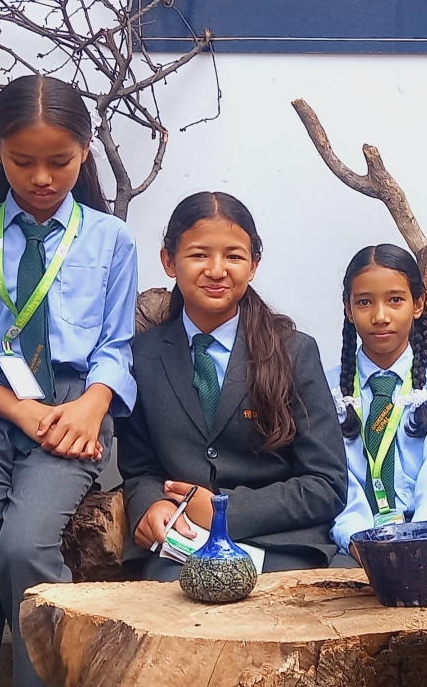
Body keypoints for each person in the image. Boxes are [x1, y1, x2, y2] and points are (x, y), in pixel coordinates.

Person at [0, 75, 137, 687]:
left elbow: (116, 346)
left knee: (25, 552)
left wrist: (92, 406)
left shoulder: (111, 239)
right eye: (22, 162)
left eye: (59, 162)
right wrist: (18, 411)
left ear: (86, 151)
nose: (42, 178)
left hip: (73, 412)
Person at [119, 192, 348, 575]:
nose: (216, 270)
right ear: (169, 261)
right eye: (198, 255)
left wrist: (224, 511)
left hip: (280, 545)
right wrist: (150, 504)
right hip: (181, 546)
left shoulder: (293, 352)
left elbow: (327, 483)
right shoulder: (142, 357)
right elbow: (140, 469)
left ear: (253, 265)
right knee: (173, 600)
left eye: (234, 256)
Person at [328, 245, 427, 557]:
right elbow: (336, 481)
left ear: (417, 304)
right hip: (353, 543)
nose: (380, 316)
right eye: (364, 302)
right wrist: (359, 541)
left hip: (423, 538)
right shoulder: (325, 389)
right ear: (348, 310)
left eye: (395, 300)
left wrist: (419, 542)